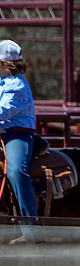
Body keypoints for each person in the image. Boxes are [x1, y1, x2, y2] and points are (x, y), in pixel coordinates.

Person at [0, 39, 38, 243]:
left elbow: (2, 112)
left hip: (17, 134)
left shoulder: (17, 86)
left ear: (5, 64)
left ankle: (31, 228)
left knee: (16, 170)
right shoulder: (2, 82)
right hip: (4, 131)